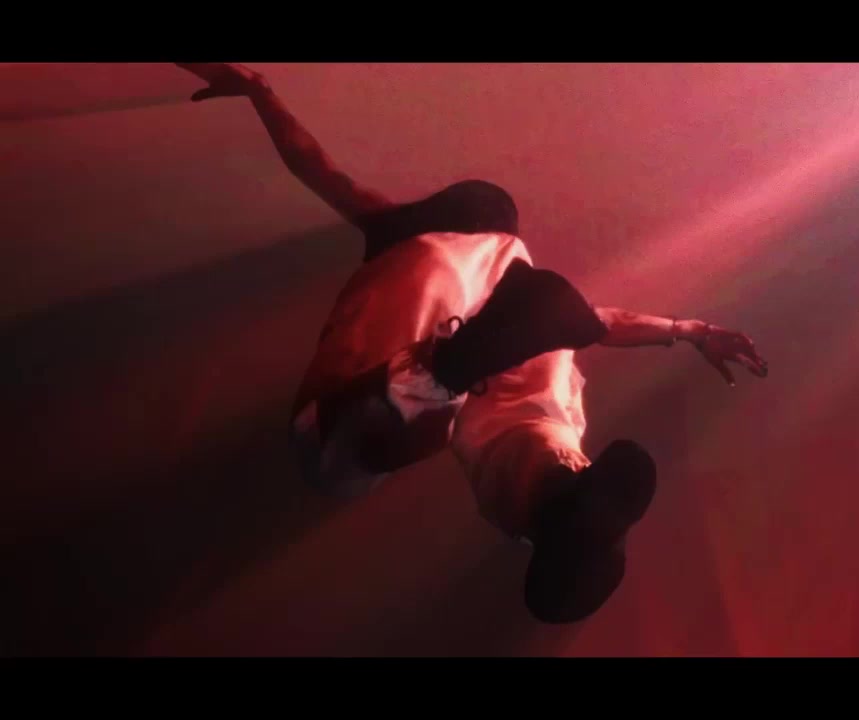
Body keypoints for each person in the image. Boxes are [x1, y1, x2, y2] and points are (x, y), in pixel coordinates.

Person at [175, 63, 769, 624]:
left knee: (349, 450)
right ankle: (452, 397)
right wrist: (688, 332)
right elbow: (598, 323)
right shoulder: (461, 261)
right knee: (350, 449)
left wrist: (260, 92)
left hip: (481, 394)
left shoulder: (432, 250)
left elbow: (325, 175)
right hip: (489, 398)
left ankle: (452, 398)